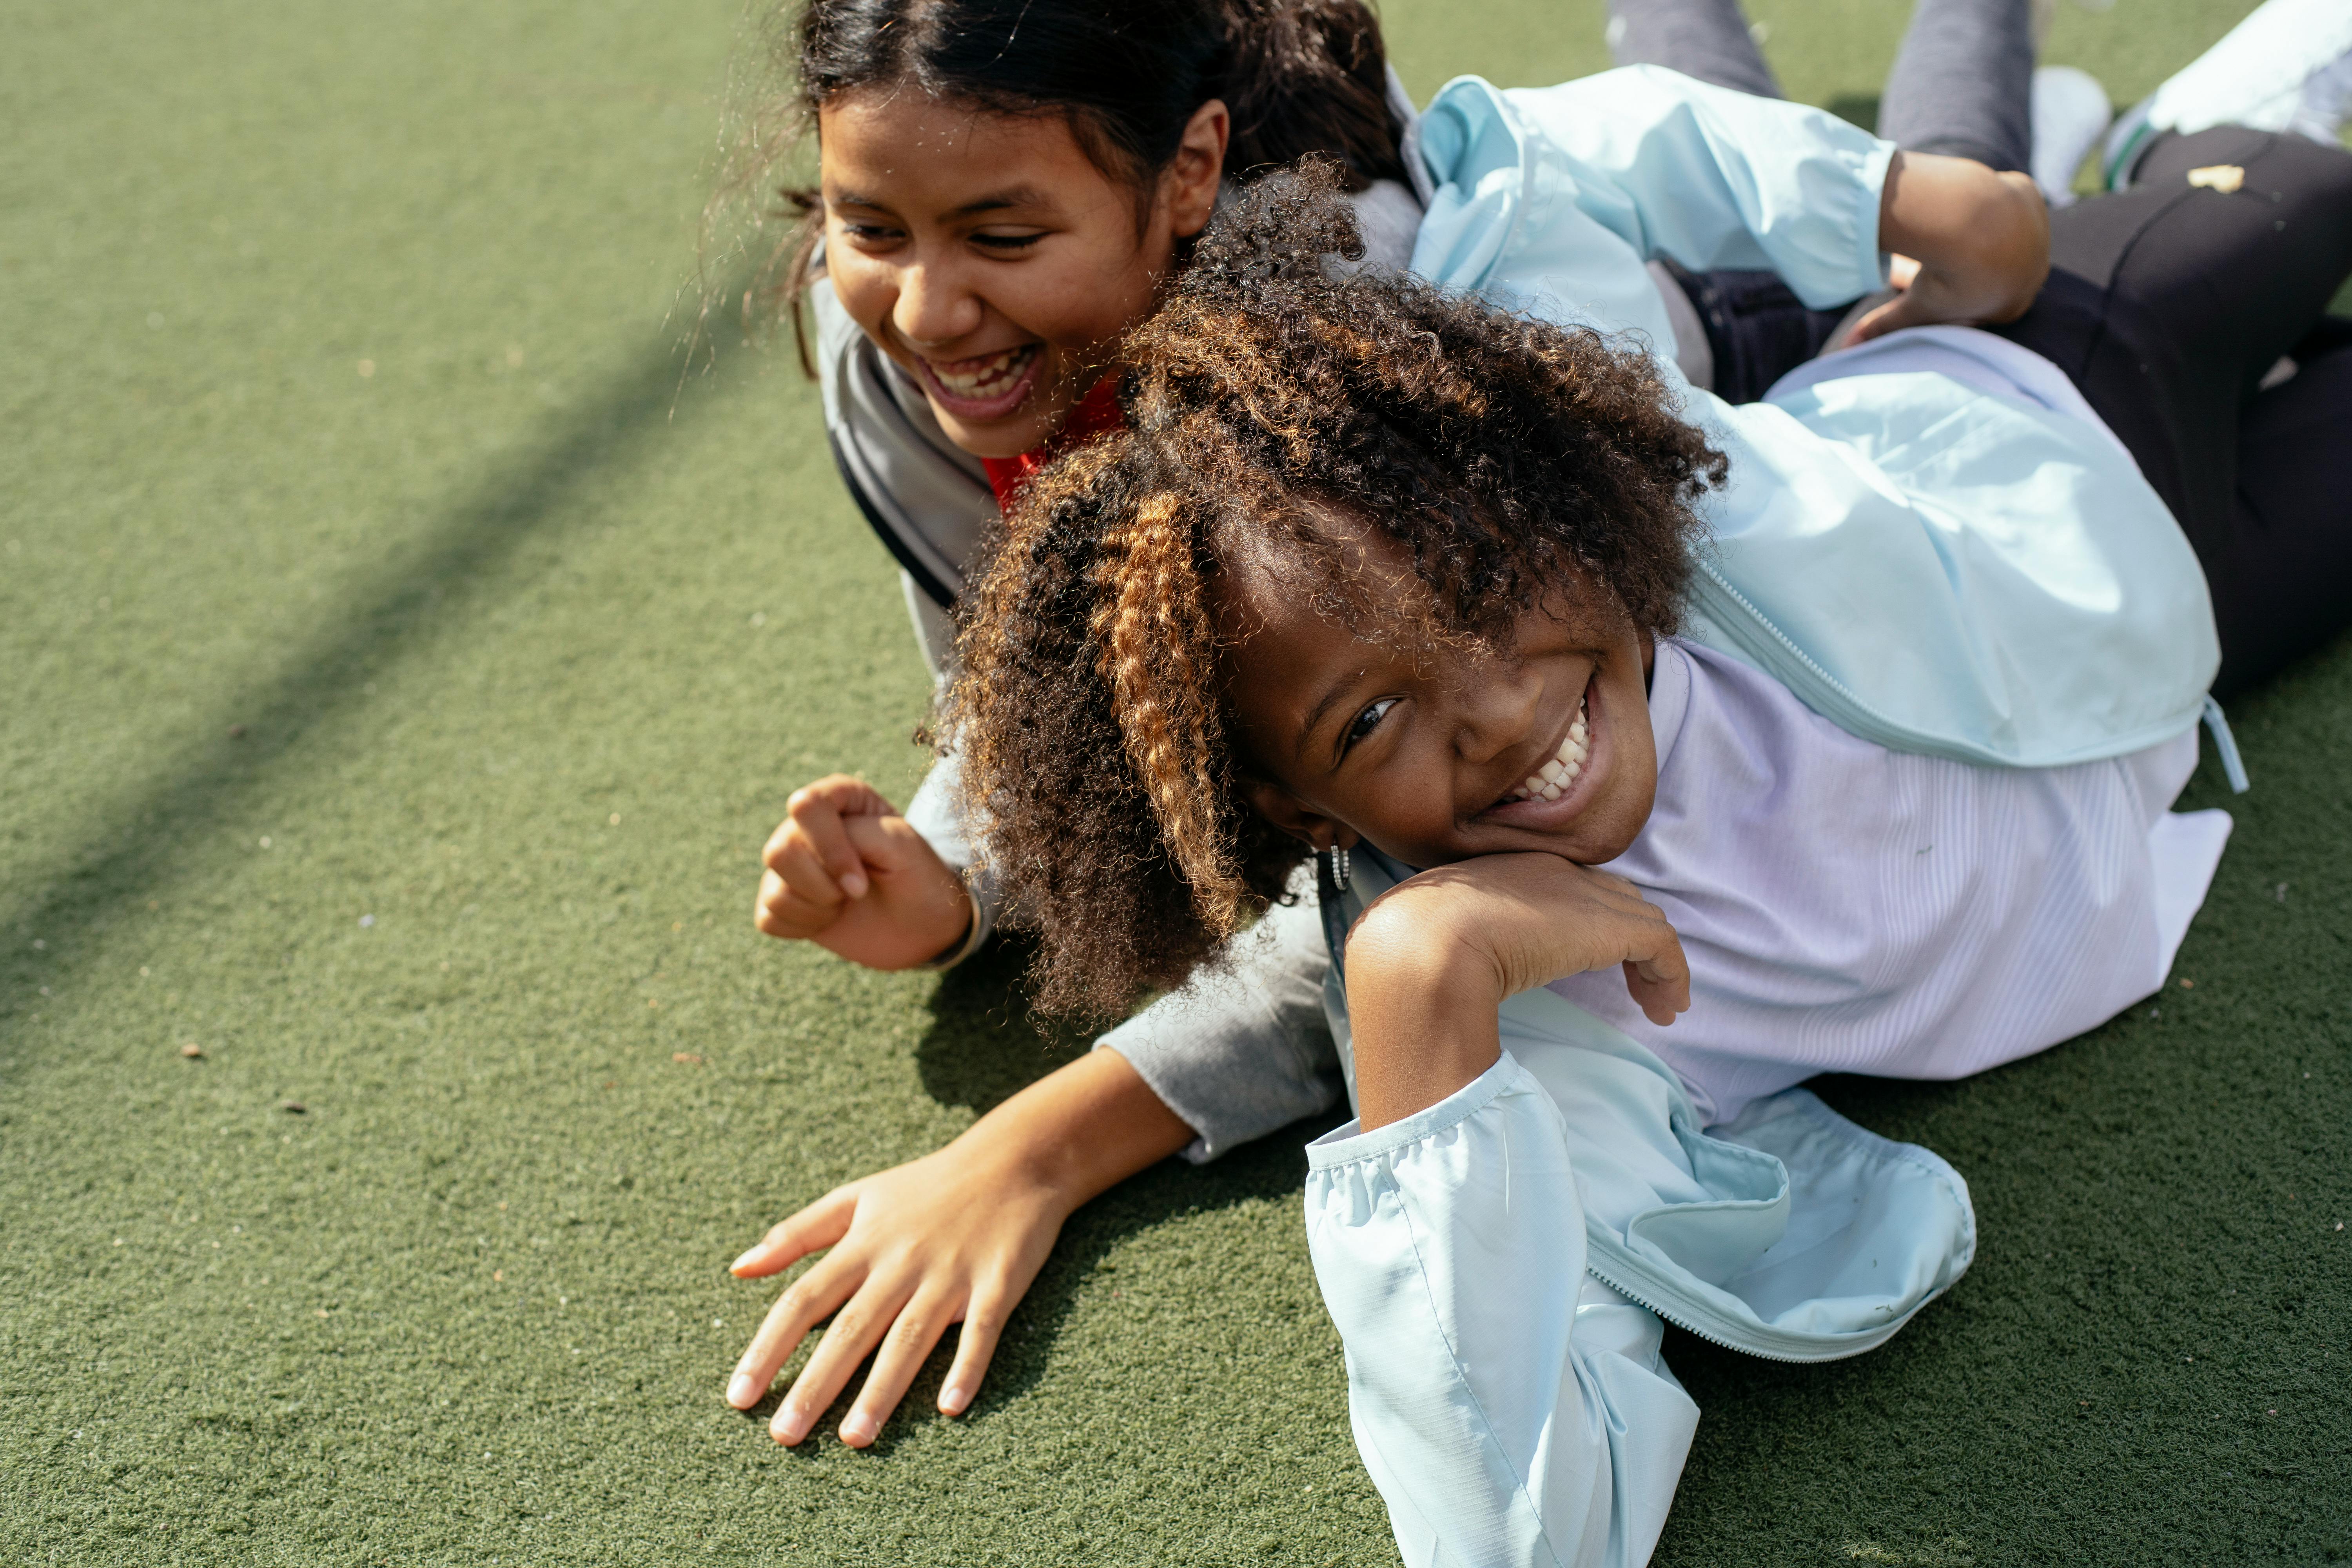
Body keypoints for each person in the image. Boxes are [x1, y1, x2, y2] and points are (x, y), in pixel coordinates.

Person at [718, 0, 2352, 1451]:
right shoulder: (926, 394)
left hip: (1737, 392)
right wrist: (954, 866)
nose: (931, 315)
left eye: (1001, 232)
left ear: (1193, 171)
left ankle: (2045, 150)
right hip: (1954, 557)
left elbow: (1621, 166)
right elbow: (1085, 742)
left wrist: (1906, 211)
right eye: (874, 229)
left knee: (1989, 183)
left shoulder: (1381, 333)